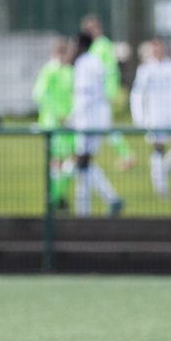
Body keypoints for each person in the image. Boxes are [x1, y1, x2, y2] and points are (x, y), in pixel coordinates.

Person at [129, 37, 171, 198]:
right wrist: (139, 117)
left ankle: (161, 174)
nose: (158, 50)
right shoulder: (145, 69)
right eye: (155, 48)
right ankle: (161, 186)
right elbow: (137, 95)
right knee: (158, 148)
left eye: (160, 47)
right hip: (155, 116)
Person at [71, 30, 123, 217]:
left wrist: (72, 118)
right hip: (98, 118)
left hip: (87, 120)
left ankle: (89, 206)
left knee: (81, 161)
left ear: (80, 45)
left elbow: (85, 95)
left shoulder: (83, 64)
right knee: (84, 163)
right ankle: (106, 199)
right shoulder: (96, 62)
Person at [80, 14, 136, 170]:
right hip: (92, 98)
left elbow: (111, 70)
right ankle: (126, 155)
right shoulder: (91, 46)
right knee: (103, 128)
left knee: (104, 127)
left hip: (100, 97)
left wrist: (109, 92)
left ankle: (126, 155)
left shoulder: (103, 45)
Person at [33, 36, 76, 209]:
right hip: (54, 124)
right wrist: (57, 114)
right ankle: (55, 198)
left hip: (68, 123)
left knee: (70, 160)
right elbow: (39, 93)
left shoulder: (68, 71)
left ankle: (57, 196)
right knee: (58, 161)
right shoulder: (50, 70)